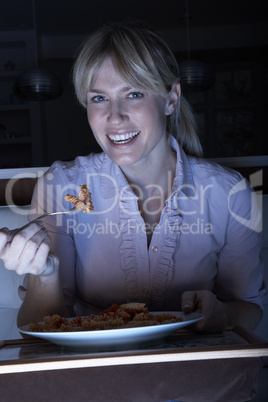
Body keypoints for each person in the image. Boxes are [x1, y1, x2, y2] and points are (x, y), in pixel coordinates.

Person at [0, 22, 265, 333]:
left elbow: (250, 308)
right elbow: (37, 329)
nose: (115, 117)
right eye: (99, 98)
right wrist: (45, 274)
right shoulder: (61, 186)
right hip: (95, 373)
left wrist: (223, 313)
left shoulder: (229, 192)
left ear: (171, 98)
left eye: (134, 93)